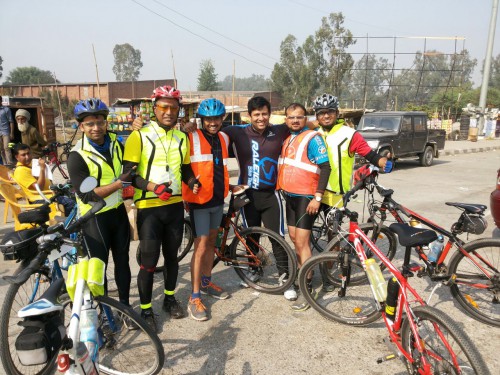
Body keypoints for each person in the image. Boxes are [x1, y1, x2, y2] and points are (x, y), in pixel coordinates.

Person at [123, 85, 199, 329]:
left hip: (175, 206)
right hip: (149, 207)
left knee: (172, 259)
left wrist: (192, 181)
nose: (168, 112)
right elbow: (128, 176)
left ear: (179, 111)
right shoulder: (139, 136)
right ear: (154, 109)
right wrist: (153, 187)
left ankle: (169, 298)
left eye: (173, 108)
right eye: (163, 107)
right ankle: (146, 310)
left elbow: (185, 168)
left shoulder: (181, 137)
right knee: (148, 261)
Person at [312, 93, 392, 294]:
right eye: (321, 113)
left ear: (337, 113)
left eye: (329, 112)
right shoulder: (312, 132)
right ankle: (308, 271)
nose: (326, 116)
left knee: (333, 236)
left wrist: (382, 162)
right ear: (317, 116)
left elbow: (369, 154)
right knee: (306, 235)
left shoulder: (349, 134)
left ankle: (328, 277)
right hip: (312, 191)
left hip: (336, 193)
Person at [66, 98, 135, 328]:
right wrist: (119, 184)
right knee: (100, 268)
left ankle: (124, 307)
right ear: (81, 127)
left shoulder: (116, 142)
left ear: (106, 122)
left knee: (123, 262)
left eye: (99, 122)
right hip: (94, 217)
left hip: (117, 213)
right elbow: (87, 195)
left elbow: (130, 164)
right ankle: (105, 313)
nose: (96, 128)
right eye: (89, 124)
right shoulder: (77, 155)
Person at [221, 96, 297, 300]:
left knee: (277, 237)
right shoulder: (236, 132)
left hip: (270, 195)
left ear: (269, 114)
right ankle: (254, 270)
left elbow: (304, 121)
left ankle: (285, 277)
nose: (261, 118)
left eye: (264, 113)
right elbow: (210, 131)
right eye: (256, 114)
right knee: (250, 237)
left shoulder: (279, 131)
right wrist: (190, 127)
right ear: (249, 115)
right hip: (248, 195)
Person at [277, 103, 331, 311]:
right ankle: (304, 273)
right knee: (294, 239)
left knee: (302, 242)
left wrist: (318, 197)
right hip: (289, 197)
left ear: (305, 118)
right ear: (286, 120)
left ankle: (306, 287)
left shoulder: (312, 137)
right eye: (291, 117)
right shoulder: (288, 138)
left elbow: (325, 167)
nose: (295, 121)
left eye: (299, 117)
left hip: (306, 198)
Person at [182, 98, 230, 321]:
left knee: (212, 241)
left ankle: (206, 281)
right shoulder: (190, 137)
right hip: (199, 201)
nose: (212, 122)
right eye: (208, 119)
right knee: (200, 246)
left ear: (223, 119)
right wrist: (183, 128)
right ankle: (194, 297)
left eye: (216, 118)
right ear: (201, 120)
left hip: (218, 198)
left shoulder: (224, 137)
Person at [12, 143, 74, 216]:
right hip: (39, 199)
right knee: (72, 204)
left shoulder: (30, 165)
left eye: (28, 153)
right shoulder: (21, 171)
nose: (27, 157)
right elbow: (39, 187)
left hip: (48, 195)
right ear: (17, 157)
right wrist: (42, 168)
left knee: (71, 193)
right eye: (23, 155)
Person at [0, 95, 15, 166]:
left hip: (5, 131)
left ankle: (10, 163)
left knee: (7, 147)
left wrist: (12, 133)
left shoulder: (6, 109)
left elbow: (11, 121)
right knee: (1, 149)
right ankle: (4, 163)